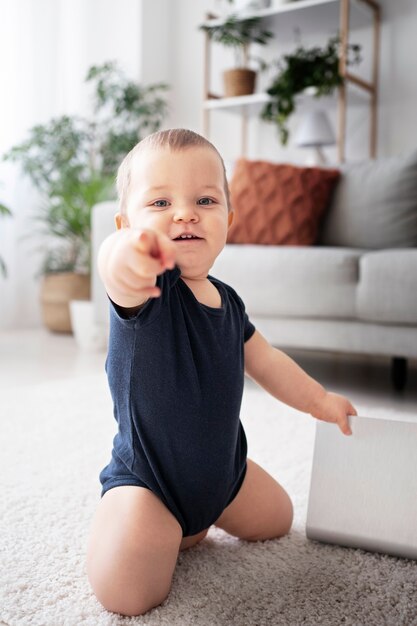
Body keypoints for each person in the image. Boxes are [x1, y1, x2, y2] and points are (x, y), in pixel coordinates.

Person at [86, 128, 357, 617]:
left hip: (223, 472)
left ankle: (203, 518)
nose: (185, 212)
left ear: (228, 221)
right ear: (127, 222)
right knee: (128, 595)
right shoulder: (147, 292)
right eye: (161, 201)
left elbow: (268, 361)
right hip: (151, 482)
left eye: (205, 200)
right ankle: (135, 519)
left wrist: (319, 400)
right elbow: (114, 264)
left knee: (279, 518)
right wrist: (124, 256)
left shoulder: (229, 302)